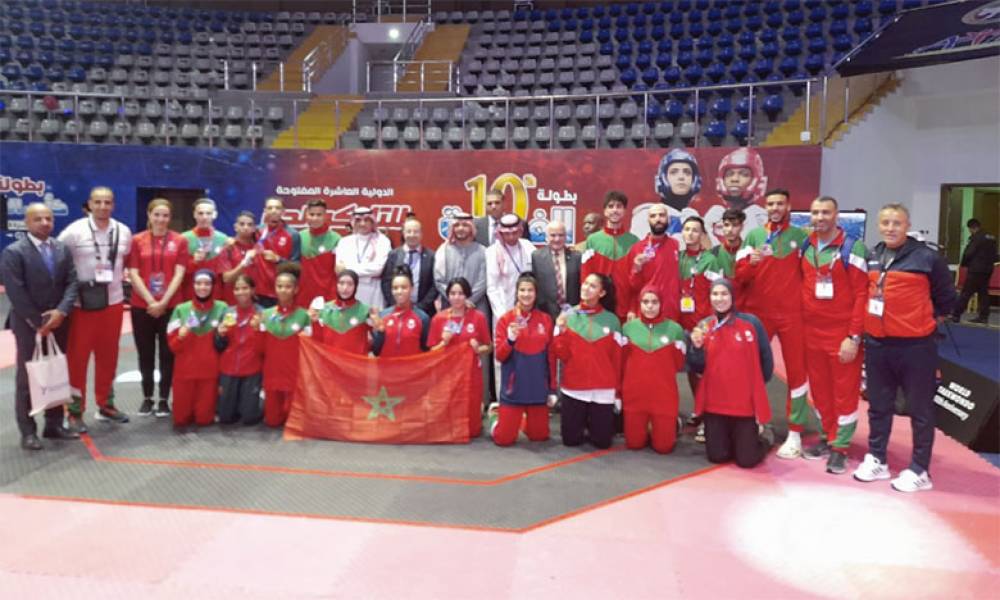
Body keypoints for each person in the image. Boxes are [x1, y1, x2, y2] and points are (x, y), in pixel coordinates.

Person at [853, 204, 956, 493]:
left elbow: (947, 298)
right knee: (878, 406)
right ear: (879, 225)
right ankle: (877, 458)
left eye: (896, 222)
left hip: (916, 347)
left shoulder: (927, 258)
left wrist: (922, 320)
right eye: (885, 222)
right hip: (878, 344)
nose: (890, 227)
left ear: (907, 224)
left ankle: (920, 469)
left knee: (920, 410)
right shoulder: (874, 255)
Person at [734, 188, 810, 459]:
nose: (775, 207)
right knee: (752, 370)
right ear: (765, 206)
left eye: (780, 203)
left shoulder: (802, 237)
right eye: (771, 203)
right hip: (759, 314)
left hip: (792, 316)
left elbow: (810, 275)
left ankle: (795, 431)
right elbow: (739, 276)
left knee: (797, 374)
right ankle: (755, 420)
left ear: (789, 206)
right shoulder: (754, 236)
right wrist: (751, 263)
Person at [1, 203, 80, 450]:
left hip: (59, 321)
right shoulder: (14, 252)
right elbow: (15, 291)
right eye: (38, 219)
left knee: (56, 370)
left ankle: (54, 424)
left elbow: (72, 282)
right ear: (27, 222)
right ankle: (28, 431)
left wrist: (61, 311)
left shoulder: (61, 249)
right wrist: (38, 322)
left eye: (48, 218)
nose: (45, 223)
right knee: (27, 377)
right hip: (28, 326)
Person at [799, 196, 869, 474]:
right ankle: (828, 436)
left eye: (825, 212)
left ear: (836, 215)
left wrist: (853, 336)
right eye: (815, 213)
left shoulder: (853, 248)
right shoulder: (807, 246)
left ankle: (840, 447)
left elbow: (862, 294)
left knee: (844, 393)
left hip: (841, 334)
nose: (820, 218)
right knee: (820, 392)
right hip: (811, 334)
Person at [58, 186, 132, 431]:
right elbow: (59, 261)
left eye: (107, 202)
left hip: (113, 304)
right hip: (82, 306)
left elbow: (126, 262)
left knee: (108, 358)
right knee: (77, 360)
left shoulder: (123, 231)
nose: (102, 206)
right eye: (98, 202)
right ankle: (75, 410)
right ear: (89, 204)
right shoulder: (74, 231)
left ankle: (106, 404)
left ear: (113, 205)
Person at [688, 279, 774, 468]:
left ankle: (764, 436)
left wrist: (757, 386)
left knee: (747, 460)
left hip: (743, 405)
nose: (719, 299)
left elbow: (766, 360)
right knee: (718, 456)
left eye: (724, 294)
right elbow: (696, 367)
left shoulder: (751, 323)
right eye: (715, 294)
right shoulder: (704, 326)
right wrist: (696, 349)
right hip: (715, 404)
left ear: (732, 296)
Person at [127, 198, 188, 418]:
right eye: (157, 215)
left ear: (170, 218)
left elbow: (180, 273)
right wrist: (150, 301)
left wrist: (163, 302)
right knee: (145, 353)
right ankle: (146, 398)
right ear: (149, 215)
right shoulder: (137, 240)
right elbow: (133, 272)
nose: (161, 219)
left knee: (167, 353)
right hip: (141, 305)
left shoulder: (179, 240)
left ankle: (163, 399)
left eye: (165, 215)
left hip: (170, 305)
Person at [552, 273, 623, 449]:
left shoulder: (612, 320)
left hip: (602, 389)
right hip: (574, 388)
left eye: (593, 286)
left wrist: (617, 392)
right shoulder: (568, 316)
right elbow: (561, 354)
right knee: (570, 440)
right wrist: (560, 330)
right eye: (585, 283)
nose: (586, 288)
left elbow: (618, 360)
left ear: (602, 293)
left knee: (602, 442)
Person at [490, 273, 555, 446]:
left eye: (530, 290)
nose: (526, 294)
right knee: (504, 439)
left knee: (539, 436)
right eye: (522, 290)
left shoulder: (546, 320)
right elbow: (499, 356)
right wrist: (510, 339)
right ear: (517, 292)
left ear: (536, 293)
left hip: (537, 390)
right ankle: (497, 417)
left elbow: (550, 357)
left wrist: (552, 389)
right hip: (514, 389)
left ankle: (522, 421)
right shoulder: (505, 320)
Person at [621, 286, 686, 454]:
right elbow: (621, 361)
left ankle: (671, 424)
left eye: (654, 302)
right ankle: (648, 427)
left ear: (661, 304)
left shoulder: (675, 330)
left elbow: (679, 364)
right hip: (635, 396)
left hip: (664, 396)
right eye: (645, 302)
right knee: (633, 444)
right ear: (639, 304)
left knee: (664, 448)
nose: (650, 306)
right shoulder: (628, 329)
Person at [428, 277, 492, 437]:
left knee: (472, 429)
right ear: (447, 296)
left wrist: (478, 349)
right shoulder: (439, 319)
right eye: (453, 293)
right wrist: (444, 342)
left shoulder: (478, 317)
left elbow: (489, 347)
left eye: (461, 293)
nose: (457, 297)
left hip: (470, 373)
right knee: (446, 423)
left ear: (467, 295)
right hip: (447, 374)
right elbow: (431, 352)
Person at [166, 269, 228, 429]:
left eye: (207, 284)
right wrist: (180, 336)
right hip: (184, 371)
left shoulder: (222, 308)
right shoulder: (181, 309)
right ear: (193, 285)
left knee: (204, 419)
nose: (203, 287)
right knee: (180, 419)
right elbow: (172, 346)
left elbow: (228, 343)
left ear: (213, 286)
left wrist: (222, 335)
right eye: (199, 283)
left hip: (209, 372)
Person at [258, 263, 312, 427]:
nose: (283, 290)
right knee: (272, 421)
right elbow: (259, 347)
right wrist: (256, 330)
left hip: (294, 373)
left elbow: (310, 348)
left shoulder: (304, 315)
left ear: (296, 290)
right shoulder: (265, 315)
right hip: (272, 372)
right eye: (279, 286)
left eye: (288, 287)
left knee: (292, 420)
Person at [582, 191, 640, 322]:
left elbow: (637, 280)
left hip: (625, 312)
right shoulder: (593, 240)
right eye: (611, 206)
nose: (615, 210)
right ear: (604, 211)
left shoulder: (634, 242)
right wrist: (588, 303)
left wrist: (633, 307)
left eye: (619, 206)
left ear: (625, 211)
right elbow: (586, 276)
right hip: (599, 309)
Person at [215, 274, 264, 426]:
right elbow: (218, 345)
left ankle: (261, 400)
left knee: (249, 418)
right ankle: (233, 402)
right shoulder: (227, 312)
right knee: (225, 418)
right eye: (237, 289)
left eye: (245, 288)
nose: (240, 292)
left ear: (253, 290)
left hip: (252, 369)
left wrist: (259, 330)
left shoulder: (262, 313)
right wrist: (219, 334)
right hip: (229, 368)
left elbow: (267, 346)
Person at [625, 203, 680, 321]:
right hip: (648, 311)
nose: (658, 219)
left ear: (668, 219)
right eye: (653, 216)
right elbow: (632, 287)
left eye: (661, 215)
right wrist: (637, 268)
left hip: (672, 312)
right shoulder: (637, 249)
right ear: (648, 220)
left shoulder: (677, 245)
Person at [335, 206, 391, 311]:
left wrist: (348, 268)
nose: (362, 224)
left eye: (366, 220)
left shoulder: (383, 241)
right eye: (358, 220)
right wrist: (366, 270)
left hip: (374, 292)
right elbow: (339, 270)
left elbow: (378, 269)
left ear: (372, 221)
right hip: (349, 291)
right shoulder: (344, 242)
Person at [434, 211, 488, 314]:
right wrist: (455, 298)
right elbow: (439, 280)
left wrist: (470, 300)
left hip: (476, 305)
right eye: (457, 225)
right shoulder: (443, 250)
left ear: (471, 228)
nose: (461, 228)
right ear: (452, 228)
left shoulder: (482, 251)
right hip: (449, 305)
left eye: (465, 225)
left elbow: (484, 281)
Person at [250, 196, 301, 308]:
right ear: (265, 211)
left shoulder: (292, 235)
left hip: (281, 292)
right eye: (270, 208)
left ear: (283, 211)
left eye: (277, 208)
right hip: (258, 293)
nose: (274, 211)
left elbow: (297, 267)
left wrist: (278, 259)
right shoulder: (256, 231)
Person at [486, 214, 536, 324]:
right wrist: (502, 315)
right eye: (507, 234)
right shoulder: (492, 252)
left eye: (514, 233)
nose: (511, 237)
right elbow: (492, 288)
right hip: (504, 307)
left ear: (520, 231)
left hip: (527, 305)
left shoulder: (528, 246)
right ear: (501, 233)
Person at [381, 217, 437, 316]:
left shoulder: (431, 256)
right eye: (409, 231)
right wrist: (395, 304)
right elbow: (386, 282)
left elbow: (434, 285)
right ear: (403, 233)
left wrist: (421, 307)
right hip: (396, 311)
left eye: (416, 232)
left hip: (424, 311)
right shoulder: (394, 255)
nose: (412, 235)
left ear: (421, 234)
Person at [311, 270, 373, 355]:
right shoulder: (324, 309)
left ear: (356, 286)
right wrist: (314, 323)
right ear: (336, 285)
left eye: (350, 284)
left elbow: (376, 341)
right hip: (329, 363)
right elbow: (318, 340)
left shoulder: (365, 311)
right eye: (341, 283)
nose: (345, 288)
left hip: (355, 364)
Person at [372, 266, 431, 358]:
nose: (399, 291)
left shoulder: (422, 318)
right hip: (386, 370)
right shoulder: (383, 316)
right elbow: (376, 352)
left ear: (412, 289)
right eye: (395, 288)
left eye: (404, 287)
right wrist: (381, 332)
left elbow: (426, 349)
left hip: (412, 371)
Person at [690, 147, 768, 214]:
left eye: (744, 174)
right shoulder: (716, 215)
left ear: (758, 182)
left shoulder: (759, 217)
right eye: (729, 174)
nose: (734, 179)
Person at [181, 198, 229, 301]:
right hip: (190, 296)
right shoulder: (183, 239)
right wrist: (194, 262)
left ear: (215, 215)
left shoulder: (223, 239)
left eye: (208, 213)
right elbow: (178, 272)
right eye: (201, 213)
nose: (204, 217)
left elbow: (225, 276)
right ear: (194, 214)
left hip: (216, 297)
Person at [532, 220, 581, 320]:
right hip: (545, 315)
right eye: (553, 235)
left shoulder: (577, 257)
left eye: (561, 235)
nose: (557, 239)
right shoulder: (537, 257)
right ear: (546, 237)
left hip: (572, 314)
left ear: (566, 236)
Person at [952, 218, 997, 324]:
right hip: (988, 269)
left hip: (976, 270)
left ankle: (956, 315)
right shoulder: (991, 237)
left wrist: (964, 264)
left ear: (972, 228)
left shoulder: (976, 237)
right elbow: (995, 254)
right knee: (983, 293)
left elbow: (969, 253)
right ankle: (984, 317)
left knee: (966, 292)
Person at [298, 198, 341, 307]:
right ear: (306, 215)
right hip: (302, 298)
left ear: (325, 216)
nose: (315, 218)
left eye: (319, 214)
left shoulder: (337, 239)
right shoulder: (299, 237)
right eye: (311, 214)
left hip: (328, 298)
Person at [219, 211, 258, 305]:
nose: (245, 227)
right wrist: (244, 263)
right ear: (235, 227)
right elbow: (226, 278)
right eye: (242, 224)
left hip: (254, 304)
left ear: (254, 228)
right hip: (231, 303)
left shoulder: (258, 249)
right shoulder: (228, 248)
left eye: (249, 225)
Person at [710, 207, 745, 279]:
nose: (730, 229)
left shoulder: (749, 251)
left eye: (735, 225)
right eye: (726, 225)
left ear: (742, 227)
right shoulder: (714, 253)